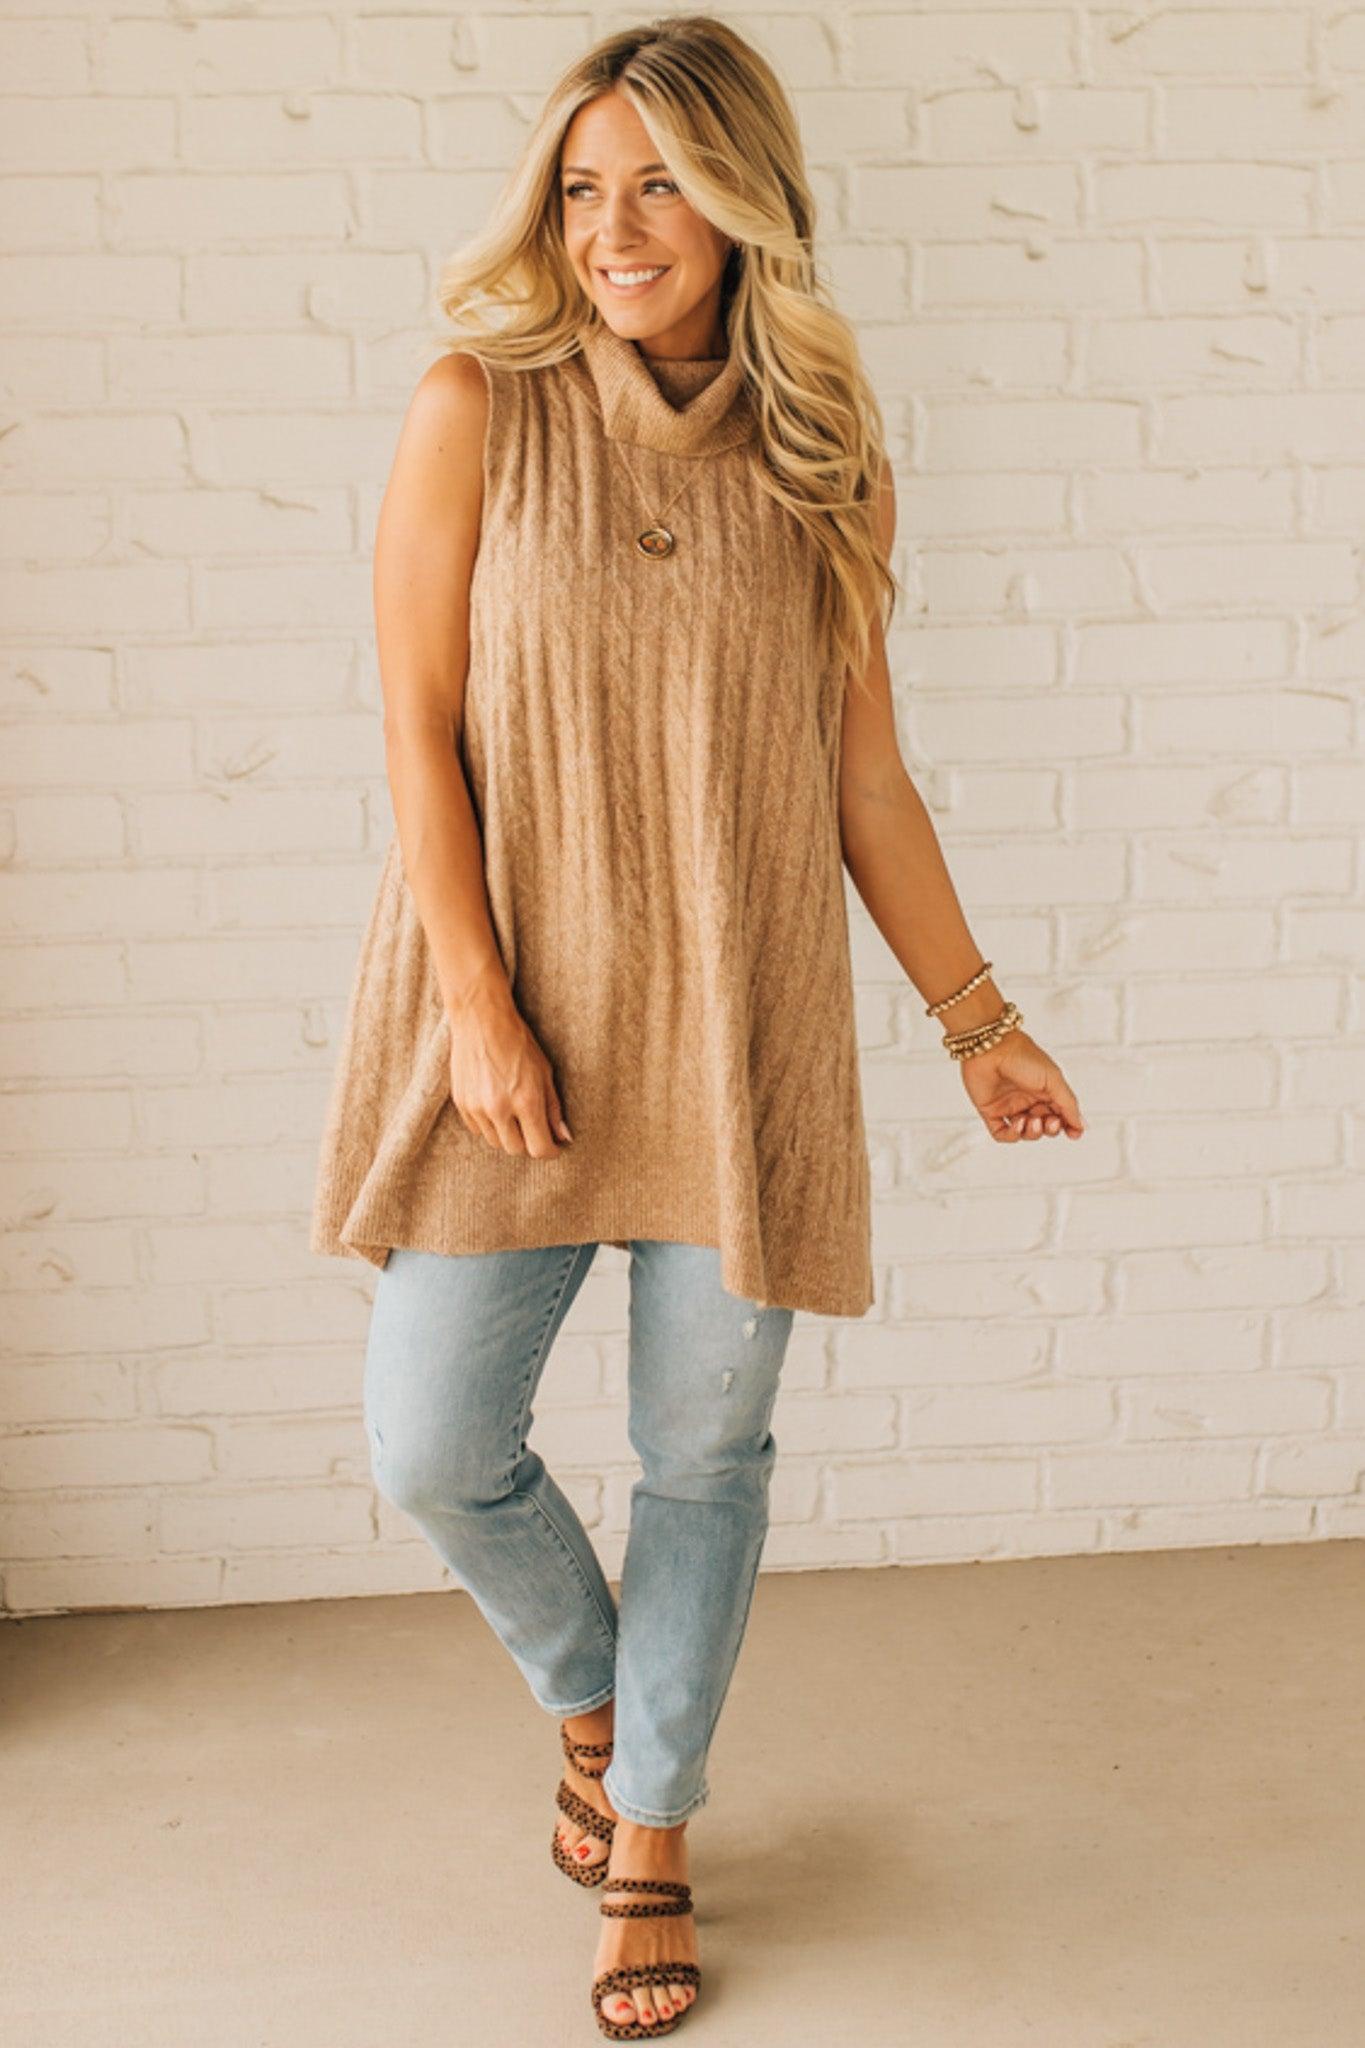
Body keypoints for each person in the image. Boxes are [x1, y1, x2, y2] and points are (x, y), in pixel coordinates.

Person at [310, 15, 1085, 2038]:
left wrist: (975, 1020)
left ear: (742, 197)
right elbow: (409, 724)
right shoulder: (475, 405)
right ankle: (589, 1692)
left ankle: (650, 1822)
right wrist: (474, 1003)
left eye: (657, 182)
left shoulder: (827, 455)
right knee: (429, 1438)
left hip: (734, 1022)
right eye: (580, 185)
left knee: (701, 1450)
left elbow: (862, 784)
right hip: (509, 1022)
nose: (613, 228)